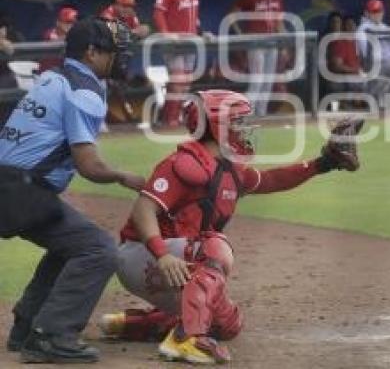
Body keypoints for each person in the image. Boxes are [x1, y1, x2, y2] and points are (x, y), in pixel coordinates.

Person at [97, 91, 362, 364]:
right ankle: (185, 339)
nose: (245, 128)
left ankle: (130, 324)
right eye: (238, 122)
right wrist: (162, 254)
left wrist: (324, 164)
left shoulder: (229, 169)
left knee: (228, 324)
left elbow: (271, 180)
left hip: (176, 261)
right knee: (216, 247)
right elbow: (143, 210)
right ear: (217, 126)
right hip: (144, 256)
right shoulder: (183, 163)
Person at [0, 18, 145, 364]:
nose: (119, 58)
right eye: (113, 51)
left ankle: (28, 327)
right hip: (20, 191)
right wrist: (125, 177)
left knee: (74, 245)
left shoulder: (55, 76)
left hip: (13, 184)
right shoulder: (84, 89)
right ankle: (50, 335)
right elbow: (89, 166)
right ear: (92, 52)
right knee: (99, 250)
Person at [153, 0, 207, 127]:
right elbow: (158, 13)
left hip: (190, 42)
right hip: (175, 44)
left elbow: (193, 18)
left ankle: (175, 118)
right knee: (177, 83)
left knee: (185, 84)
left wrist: (201, 32)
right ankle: (170, 120)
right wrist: (165, 33)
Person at [230, 0, 285, 117]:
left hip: (272, 42)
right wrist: (241, 34)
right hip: (256, 42)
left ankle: (261, 114)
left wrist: (285, 44)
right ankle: (245, 113)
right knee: (257, 80)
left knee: (268, 81)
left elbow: (279, 21)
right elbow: (232, 14)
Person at [324, 13, 365, 109]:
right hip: (341, 78)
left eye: (353, 25)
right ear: (343, 27)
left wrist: (360, 71)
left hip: (356, 76)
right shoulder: (339, 42)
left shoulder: (357, 42)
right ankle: (340, 108)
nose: (351, 27)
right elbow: (337, 66)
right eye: (348, 25)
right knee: (346, 84)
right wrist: (354, 71)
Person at [39, 7, 78, 73]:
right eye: (67, 22)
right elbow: (54, 40)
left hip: (64, 74)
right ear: (58, 22)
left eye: (73, 23)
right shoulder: (50, 33)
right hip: (47, 74)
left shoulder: (73, 36)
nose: (70, 25)